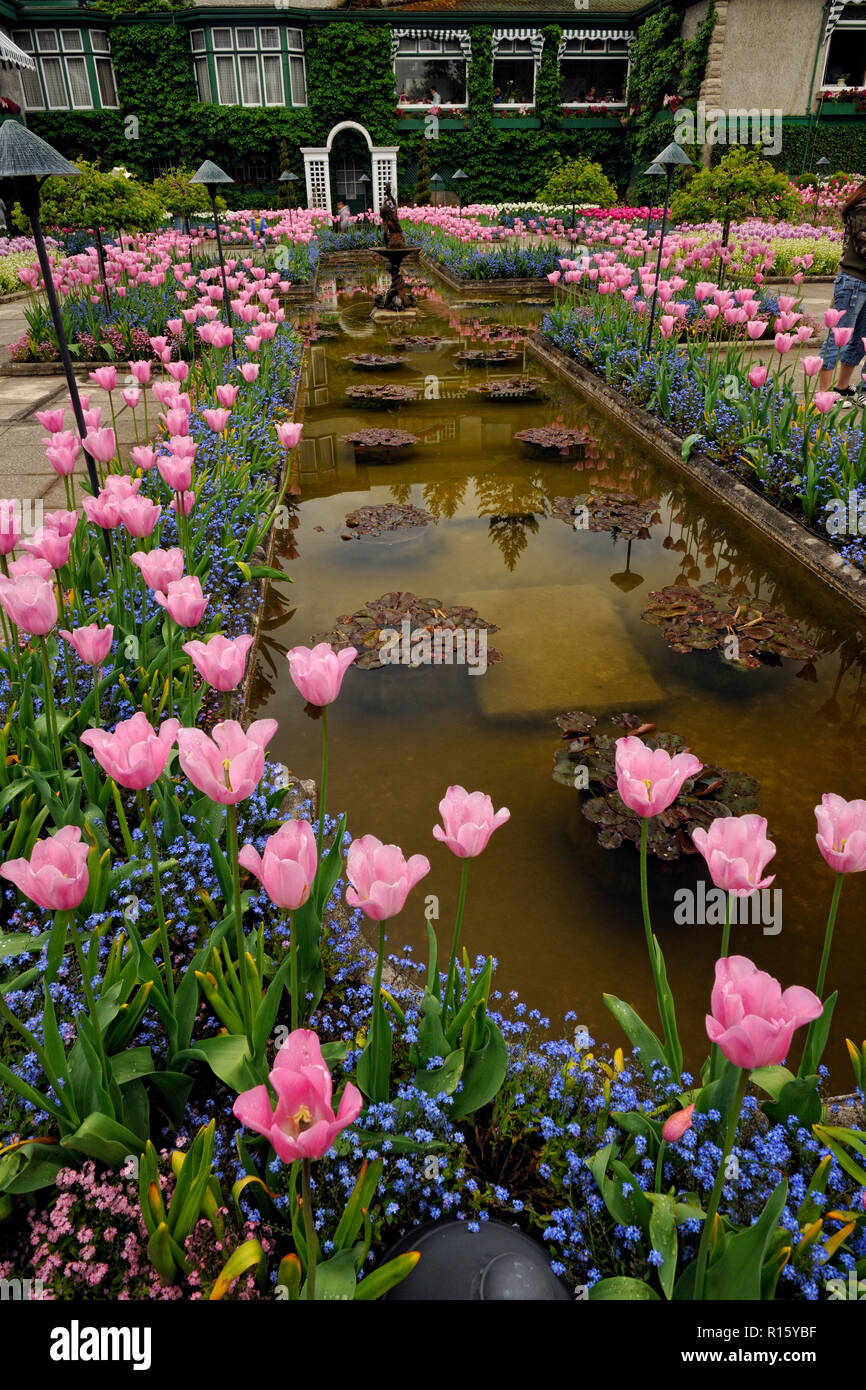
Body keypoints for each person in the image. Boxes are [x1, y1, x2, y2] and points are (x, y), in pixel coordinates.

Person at [818, 180, 866, 403]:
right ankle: (824, 392)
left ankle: (842, 388)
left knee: (859, 340)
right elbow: (863, 245)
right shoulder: (861, 208)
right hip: (853, 281)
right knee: (838, 337)